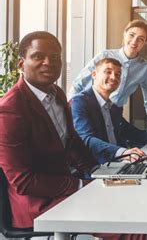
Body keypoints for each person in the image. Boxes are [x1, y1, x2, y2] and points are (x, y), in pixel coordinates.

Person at [0, 31, 97, 229]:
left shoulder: (57, 93)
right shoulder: (10, 109)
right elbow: (23, 181)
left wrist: (100, 172)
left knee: (130, 204)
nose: (48, 63)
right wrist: (81, 186)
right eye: (38, 56)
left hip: (64, 186)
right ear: (20, 64)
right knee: (125, 224)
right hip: (37, 204)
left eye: (54, 58)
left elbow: (72, 142)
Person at [70, 20, 147, 132]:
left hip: (115, 113)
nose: (134, 42)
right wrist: (71, 112)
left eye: (141, 39)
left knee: (114, 143)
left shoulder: (144, 68)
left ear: (145, 43)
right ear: (125, 34)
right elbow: (79, 83)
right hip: (91, 108)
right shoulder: (105, 55)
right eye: (131, 35)